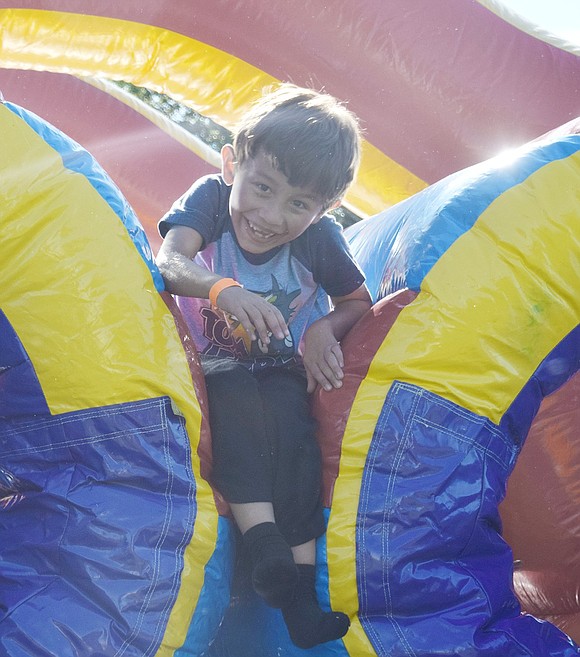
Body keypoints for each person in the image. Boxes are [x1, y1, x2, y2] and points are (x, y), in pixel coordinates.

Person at [155, 83, 372, 649]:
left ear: (325, 210)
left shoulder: (320, 240)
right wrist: (221, 288)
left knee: (298, 435)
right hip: (211, 366)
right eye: (263, 188)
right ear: (232, 164)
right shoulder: (209, 199)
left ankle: (298, 596)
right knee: (234, 405)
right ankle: (264, 543)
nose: (271, 216)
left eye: (298, 204)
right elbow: (171, 258)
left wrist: (324, 328)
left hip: (280, 367)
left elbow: (357, 303)